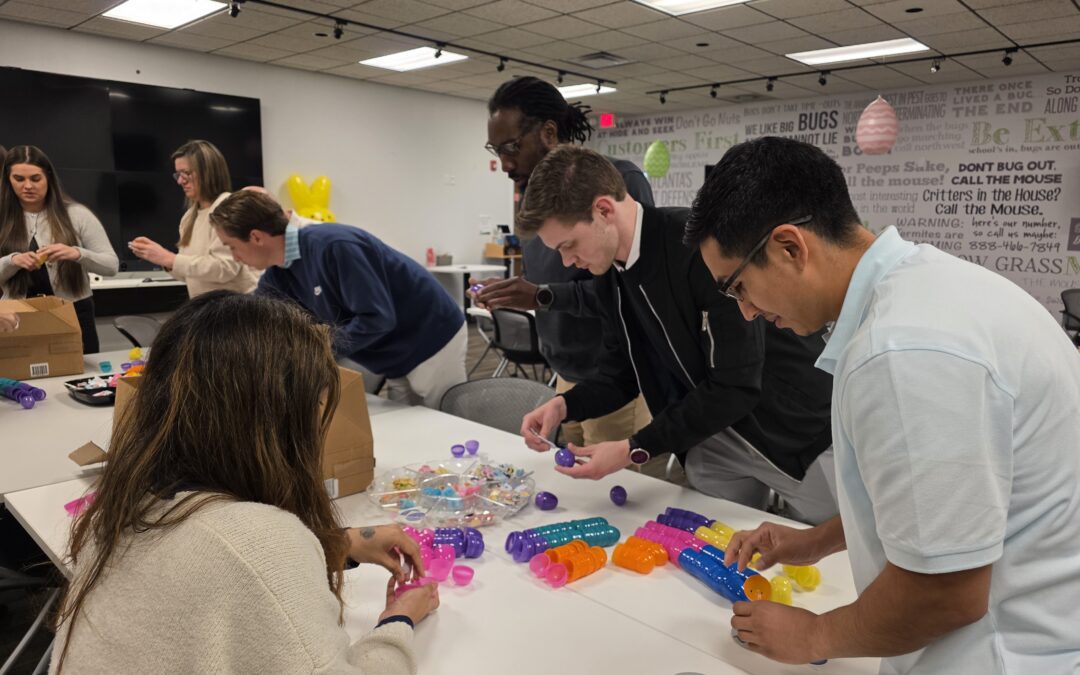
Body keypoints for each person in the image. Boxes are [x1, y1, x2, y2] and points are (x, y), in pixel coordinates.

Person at [685, 136, 1080, 672]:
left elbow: (944, 594)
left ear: (789, 247)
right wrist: (815, 542)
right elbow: (940, 505)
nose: (748, 313)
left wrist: (813, 635)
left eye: (737, 287)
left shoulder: (904, 352)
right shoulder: (932, 291)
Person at [51, 291, 438, 674]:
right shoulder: (258, 539)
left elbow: (215, 565)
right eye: (316, 409)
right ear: (280, 422)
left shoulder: (122, 504)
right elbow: (245, 559)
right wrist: (399, 619)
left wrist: (343, 543)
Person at [518, 146, 836, 524]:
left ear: (604, 210)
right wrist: (565, 405)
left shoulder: (696, 249)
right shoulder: (610, 277)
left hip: (796, 432)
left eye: (568, 245)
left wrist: (634, 448)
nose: (567, 262)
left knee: (840, 554)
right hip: (716, 438)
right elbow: (619, 376)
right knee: (728, 542)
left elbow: (736, 385)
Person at [473, 76, 653, 447]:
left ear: (549, 133)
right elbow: (548, 276)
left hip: (614, 375)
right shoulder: (533, 199)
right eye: (496, 150)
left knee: (614, 488)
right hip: (565, 371)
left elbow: (632, 290)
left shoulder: (619, 182)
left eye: (511, 147)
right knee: (568, 477)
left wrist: (542, 294)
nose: (506, 164)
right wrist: (519, 291)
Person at [210, 190, 467, 409]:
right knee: (410, 424)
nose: (234, 257)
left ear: (256, 237)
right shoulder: (277, 274)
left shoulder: (334, 246)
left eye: (231, 246)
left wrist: (313, 349)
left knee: (447, 423)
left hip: (432, 337)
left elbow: (377, 318)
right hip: (390, 354)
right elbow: (253, 317)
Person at [0, 145, 118, 353]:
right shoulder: (3, 220)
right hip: (15, 317)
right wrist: (12, 261)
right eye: (19, 179)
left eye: (35, 179)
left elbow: (111, 266)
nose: (27, 186)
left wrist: (78, 254)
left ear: (49, 178)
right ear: (8, 180)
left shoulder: (78, 215)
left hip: (74, 312)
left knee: (82, 376)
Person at [129, 139, 258, 297]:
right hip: (208, 309)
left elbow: (226, 268)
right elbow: (189, 274)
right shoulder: (189, 217)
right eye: (178, 174)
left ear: (208, 171)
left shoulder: (227, 206)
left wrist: (169, 258)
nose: (180, 181)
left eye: (187, 173)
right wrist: (161, 259)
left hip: (237, 308)